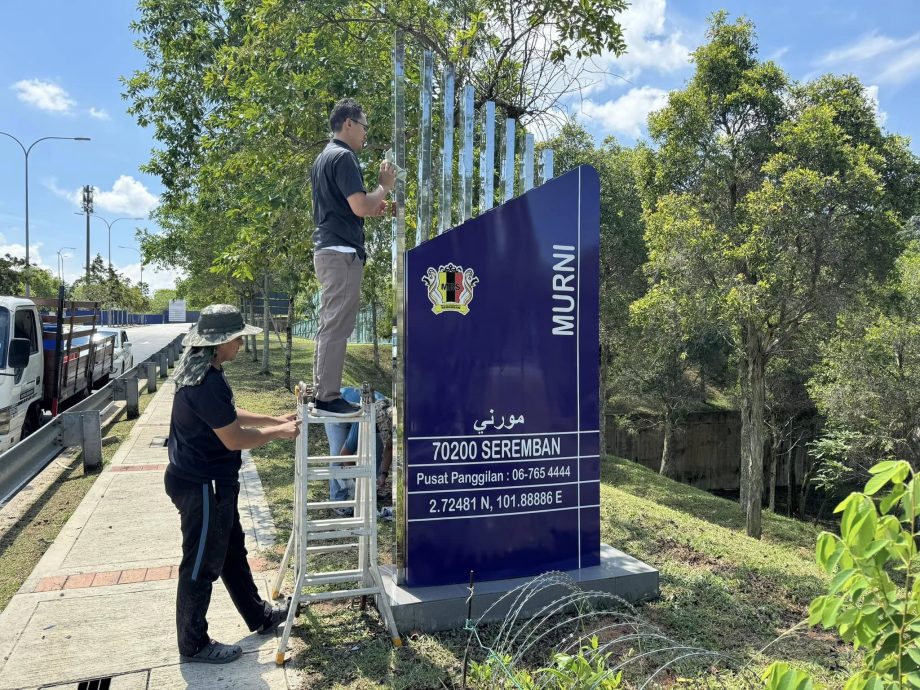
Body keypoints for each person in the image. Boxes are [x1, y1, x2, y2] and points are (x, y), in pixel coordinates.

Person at [164, 304, 302, 665]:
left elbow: (229, 414)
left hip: (209, 482)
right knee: (201, 564)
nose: (241, 343)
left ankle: (258, 615)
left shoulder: (205, 373)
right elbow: (234, 437)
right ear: (219, 342)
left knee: (230, 551)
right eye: (237, 337)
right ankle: (193, 644)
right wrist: (279, 433)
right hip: (202, 485)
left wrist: (275, 418)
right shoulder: (206, 382)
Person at [311, 97, 396, 416]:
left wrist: (373, 205)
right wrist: (383, 187)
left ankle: (323, 390)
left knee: (330, 323)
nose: (365, 134)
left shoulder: (324, 157)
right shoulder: (344, 157)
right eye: (364, 126)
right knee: (337, 326)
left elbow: (348, 208)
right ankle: (328, 396)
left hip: (329, 249)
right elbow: (359, 205)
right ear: (348, 123)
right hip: (342, 253)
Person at [324, 386, 393, 517]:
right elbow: (345, 455)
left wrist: (383, 474)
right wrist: (360, 480)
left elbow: (389, 446)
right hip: (338, 411)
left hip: (369, 411)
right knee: (337, 455)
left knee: (375, 453)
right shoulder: (365, 418)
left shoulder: (392, 416)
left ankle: (372, 491)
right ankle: (339, 501)